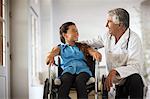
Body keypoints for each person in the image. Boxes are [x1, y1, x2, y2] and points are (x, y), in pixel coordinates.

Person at [82, 8, 146, 99]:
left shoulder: (134, 39)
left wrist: (114, 71)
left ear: (119, 24)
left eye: (109, 22)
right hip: (113, 83)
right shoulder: (107, 36)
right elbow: (86, 43)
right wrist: (91, 50)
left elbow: (135, 66)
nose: (106, 25)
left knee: (135, 79)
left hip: (129, 82)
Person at [46, 22, 102, 99]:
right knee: (65, 80)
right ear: (65, 35)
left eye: (77, 31)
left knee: (80, 80)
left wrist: (96, 54)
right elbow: (51, 54)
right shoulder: (60, 48)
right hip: (68, 71)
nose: (77, 33)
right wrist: (50, 57)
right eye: (73, 31)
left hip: (83, 71)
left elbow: (93, 52)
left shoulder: (82, 46)